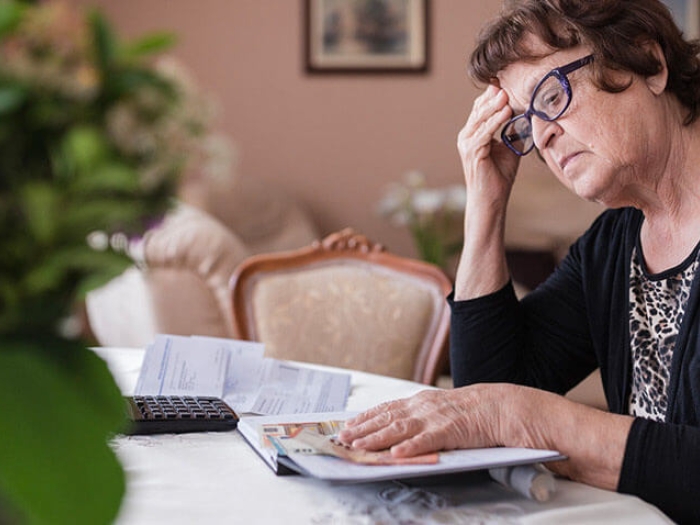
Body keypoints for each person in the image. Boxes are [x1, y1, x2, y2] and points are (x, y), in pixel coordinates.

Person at [337, 1, 700, 522]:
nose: (544, 135)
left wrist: (532, 418)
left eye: (552, 95)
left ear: (649, 62)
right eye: (527, 124)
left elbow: (507, 406)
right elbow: (491, 388)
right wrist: (486, 199)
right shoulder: (613, 244)